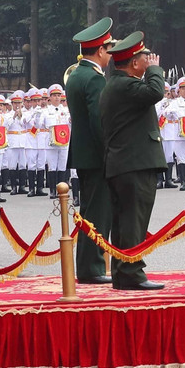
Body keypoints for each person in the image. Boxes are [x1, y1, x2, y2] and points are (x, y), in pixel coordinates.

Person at [99, 32, 166, 290]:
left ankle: (123, 271)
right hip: (133, 164)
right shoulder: (125, 85)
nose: (148, 61)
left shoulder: (118, 84)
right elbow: (155, 91)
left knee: (125, 221)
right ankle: (131, 272)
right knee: (133, 222)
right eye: (144, 58)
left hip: (126, 164)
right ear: (134, 63)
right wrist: (155, 70)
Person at [66, 17, 117, 285]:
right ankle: (92, 268)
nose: (110, 54)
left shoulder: (76, 74)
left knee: (89, 212)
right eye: (109, 49)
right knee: (98, 213)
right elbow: (100, 121)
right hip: (97, 156)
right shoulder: (95, 79)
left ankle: (88, 267)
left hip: (84, 154)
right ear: (100, 50)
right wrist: (110, 152)